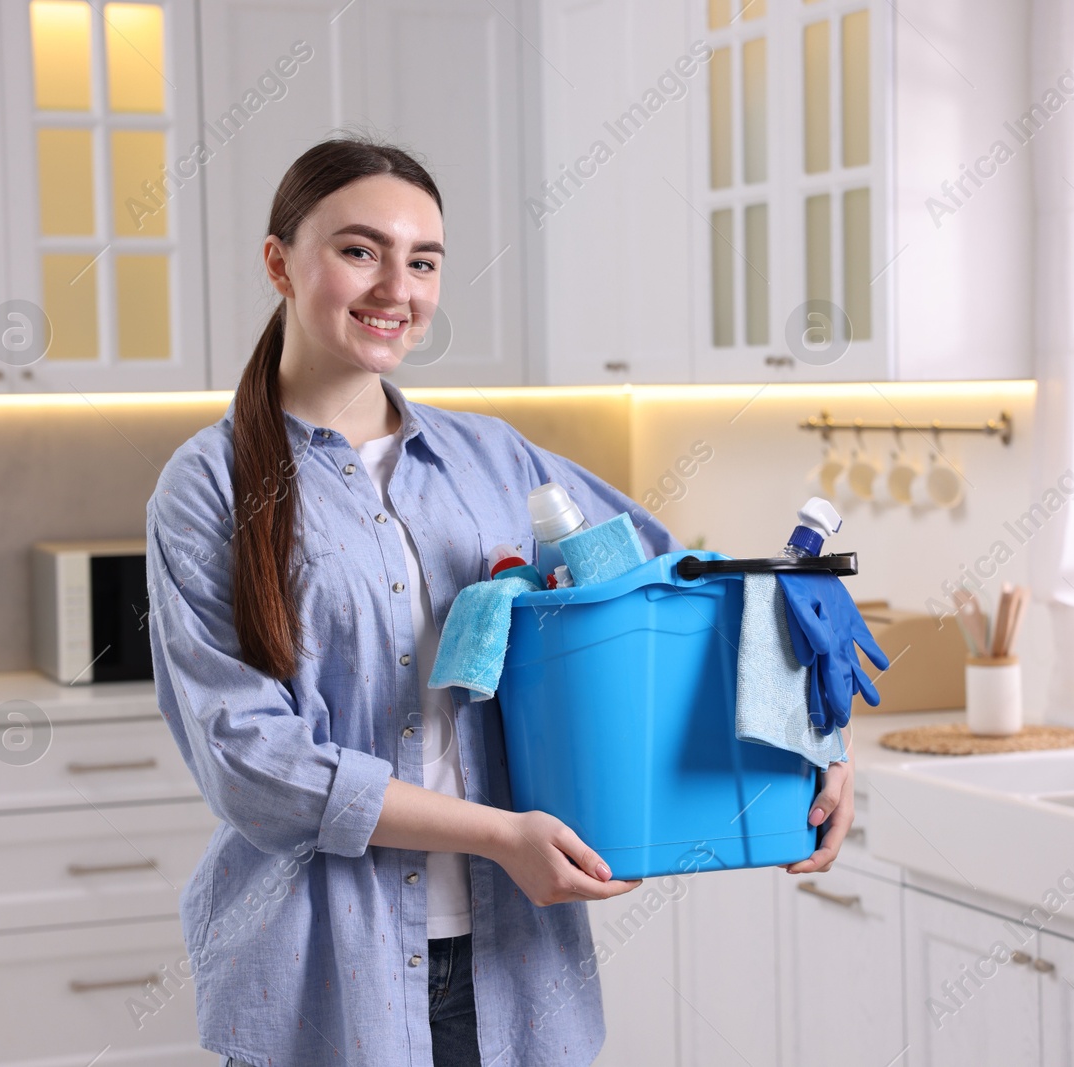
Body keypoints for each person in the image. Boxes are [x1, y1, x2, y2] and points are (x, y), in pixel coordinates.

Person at [144, 133, 856, 1067]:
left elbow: (684, 602)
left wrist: (819, 740)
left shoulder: (494, 461)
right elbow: (253, 765)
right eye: (360, 250)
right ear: (279, 261)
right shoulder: (209, 489)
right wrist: (499, 835)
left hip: (515, 970)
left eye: (423, 261)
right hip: (320, 978)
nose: (396, 288)